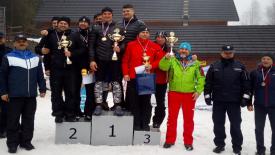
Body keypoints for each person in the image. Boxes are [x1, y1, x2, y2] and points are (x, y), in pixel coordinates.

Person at [0, 34, 46, 153]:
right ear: (14, 43)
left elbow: (40, 74)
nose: (21, 43)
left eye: (23, 41)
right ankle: (12, 144)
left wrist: (42, 88)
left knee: (29, 120)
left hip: (30, 95)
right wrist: (3, 91)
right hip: (14, 95)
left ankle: (26, 141)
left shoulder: (35, 57)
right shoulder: (8, 57)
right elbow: (2, 76)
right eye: (19, 41)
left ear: (27, 43)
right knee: (13, 121)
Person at [204, 45, 251, 155]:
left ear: (233, 53)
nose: (228, 54)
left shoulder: (240, 66)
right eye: (225, 53)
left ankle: (237, 146)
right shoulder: (214, 66)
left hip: (234, 101)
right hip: (218, 101)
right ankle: (220, 145)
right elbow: (208, 83)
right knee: (218, 124)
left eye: (230, 53)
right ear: (221, 53)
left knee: (235, 124)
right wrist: (207, 95)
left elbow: (246, 83)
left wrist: (245, 98)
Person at [159, 42, 205, 151]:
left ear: (189, 51)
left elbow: (201, 78)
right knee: (172, 118)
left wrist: (198, 91)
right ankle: (170, 140)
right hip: (174, 93)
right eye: (181, 49)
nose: (183, 51)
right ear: (179, 50)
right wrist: (165, 58)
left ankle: (188, 142)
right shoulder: (172, 60)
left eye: (186, 49)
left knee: (188, 119)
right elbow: (162, 67)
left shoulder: (195, 63)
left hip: (189, 95)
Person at [42, 16, 86, 123]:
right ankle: (58, 113)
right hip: (56, 69)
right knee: (56, 93)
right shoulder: (51, 35)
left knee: (70, 93)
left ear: (68, 25)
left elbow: (83, 49)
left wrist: (72, 53)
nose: (63, 25)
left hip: (71, 69)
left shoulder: (75, 35)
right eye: (61, 23)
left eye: (65, 23)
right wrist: (46, 63)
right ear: (57, 24)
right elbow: (43, 50)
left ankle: (70, 113)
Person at [122, 26, 161, 131]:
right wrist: (125, 73)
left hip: (147, 78)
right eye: (143, 32)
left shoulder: (155, 46)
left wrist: (152, 65)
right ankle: (136, 124)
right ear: (138, 34)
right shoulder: (131, 45)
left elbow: (160, 61)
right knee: (134, 102)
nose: (145, 34)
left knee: (146, 102)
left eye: (147, 32)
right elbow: (125, 61)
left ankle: (145, 123)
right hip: (133, 78)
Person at [89, 7, 124, 116]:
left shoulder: (118, 27)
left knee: (116, 82)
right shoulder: (96, 28)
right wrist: (92, 60)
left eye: (109, 14)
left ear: (112, 15)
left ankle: (117, 104)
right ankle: (99, 104)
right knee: (99, 82)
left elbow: (124, 43)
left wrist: (120, 48)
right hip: (100, 60)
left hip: (114, 60)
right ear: (102, 15)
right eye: (105, 14)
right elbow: (91, 46)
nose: (107, 15)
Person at [248, 53, 275, 155]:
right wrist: (249, 103)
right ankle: (260, 150)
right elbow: (250, 89)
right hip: (259, 106)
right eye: (263, 58)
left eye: (268, 59)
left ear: (272, 61)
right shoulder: (255, 73)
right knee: (259, 129)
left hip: (274, 106)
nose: (265, 60)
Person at [151, 31, 168, 128]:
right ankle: (143, 121)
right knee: (146, 101)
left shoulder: (170, 50)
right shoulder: (150, 46)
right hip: (149, 77)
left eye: (162, 37)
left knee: (160, 102)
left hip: (161, 80)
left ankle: (157, 121)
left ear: (165, 39)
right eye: (158, 37)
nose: (160, 39)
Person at [0, 32, 12, 139]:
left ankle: (5, 129)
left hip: (5, 82)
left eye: (1, 38)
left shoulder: (9, 51)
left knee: (6, 108)